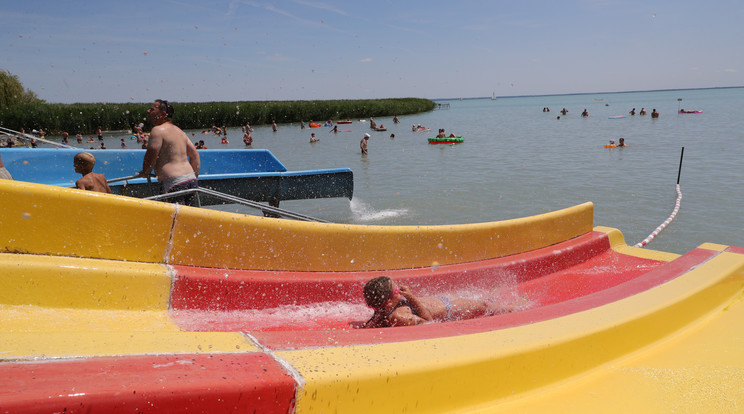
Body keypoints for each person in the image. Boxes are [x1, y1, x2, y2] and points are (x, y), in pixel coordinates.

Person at [354, 276, 516, 328]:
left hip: (442, 301)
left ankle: (489, 298)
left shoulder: (388, 306)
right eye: (397, 291)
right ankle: (515, 309)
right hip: (449, 309)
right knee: (483, 307)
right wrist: (411, 297)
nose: (401, 290)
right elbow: (428, 322)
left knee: (479, 303)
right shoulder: (398, 316)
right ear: (388, 302)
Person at [138, 99, 201, 206]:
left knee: (174, 220)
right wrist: (192, 177)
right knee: (192, 219)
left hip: (174, 183)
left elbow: (151, 154)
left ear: (163, 114)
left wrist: (145, 171)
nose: (148, 111)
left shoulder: (157, 130)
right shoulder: (179, 131)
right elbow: (195, 156)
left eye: (152, 109)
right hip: (191, 180)